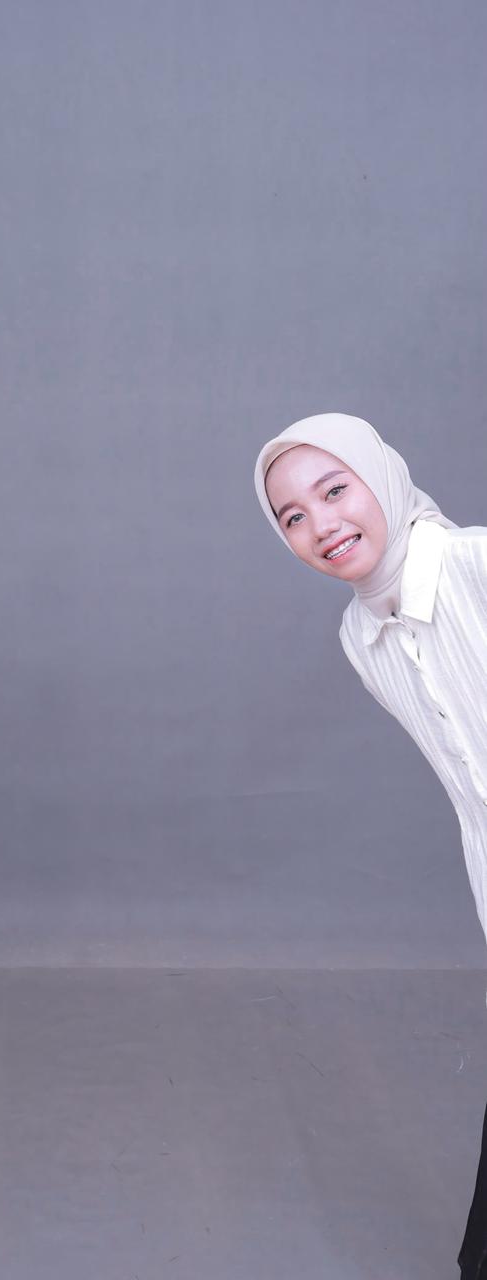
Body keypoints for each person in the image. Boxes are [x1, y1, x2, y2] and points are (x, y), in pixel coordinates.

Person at [253, 412, 487, 1278]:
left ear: (380, 476)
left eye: (335, 490)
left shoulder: (475, 565)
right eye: (293, 516)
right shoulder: (362, 637)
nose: (322, 525)